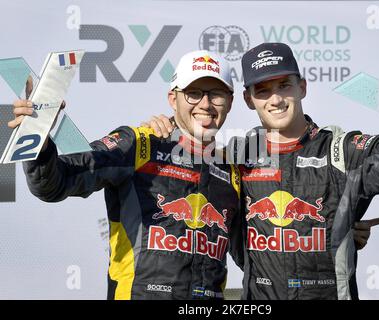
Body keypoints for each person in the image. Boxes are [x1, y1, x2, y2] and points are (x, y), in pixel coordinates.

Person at [145, 42, 379, 300]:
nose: (276, 99)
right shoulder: (235, 157)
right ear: (248, 99)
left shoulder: (339, 150)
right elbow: (202, 219)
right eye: (263, 90)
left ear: (302, 87)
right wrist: (165, 128)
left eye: (284, 85)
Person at [10, 50, 243, 300]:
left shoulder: (232, 171)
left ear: (230, 101)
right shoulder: (138, 144)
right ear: (173, 99)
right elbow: (55, 183)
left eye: (216, 94)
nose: (205, 104)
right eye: (193, 93)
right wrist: (39, 136)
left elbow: (259, 259)